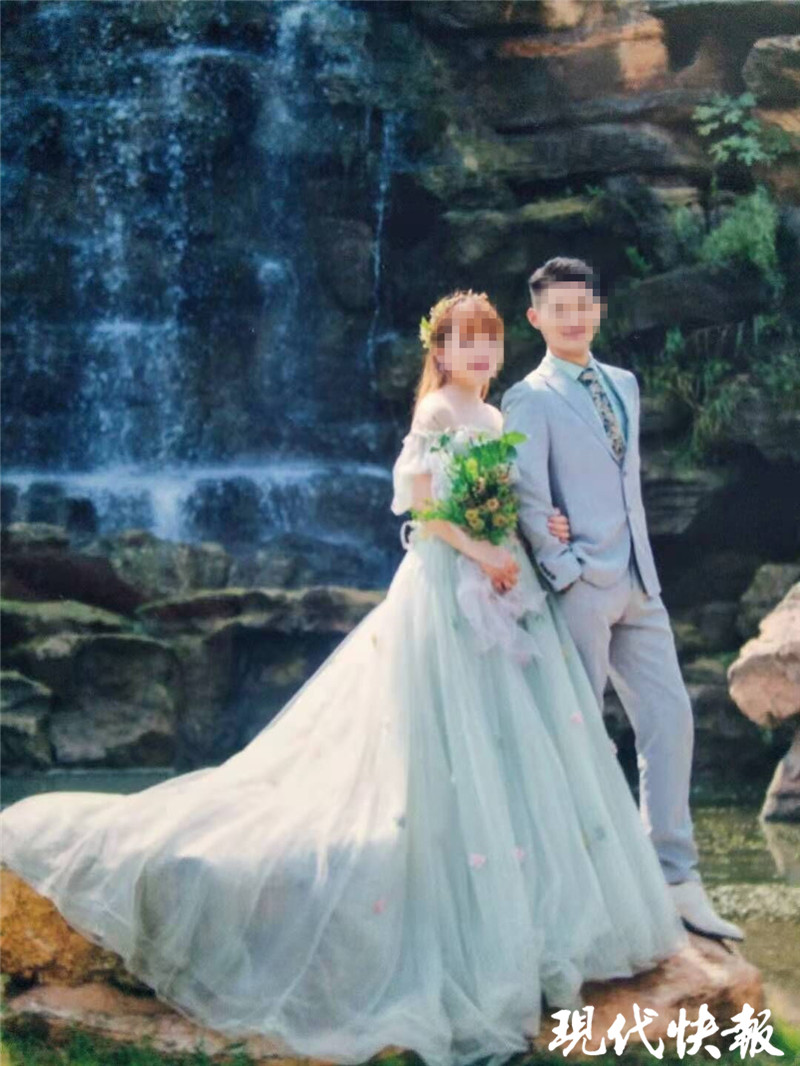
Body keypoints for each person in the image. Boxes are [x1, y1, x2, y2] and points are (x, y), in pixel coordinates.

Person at [0, 289, 690, 1066]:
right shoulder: (435, 414)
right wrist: (481, 552)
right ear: (439, 352)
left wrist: (538, 529)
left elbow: (516, 500)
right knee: (448, 733)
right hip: (450, 588)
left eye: (490, 341)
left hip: (507, 584)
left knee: (514, 744)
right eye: (465, 341)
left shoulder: (498, 419)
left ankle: (530, 916)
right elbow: (424, 514)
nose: (480, 353)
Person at [500, 256, 743, 942]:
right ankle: (581, 893)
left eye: (583, 305)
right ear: (536, 318)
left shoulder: (625, 384)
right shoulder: (529, 397)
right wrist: (566, 570)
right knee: (578, 734)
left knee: (670, 719)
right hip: (581, 587)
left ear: (598, 310)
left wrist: (633, 566)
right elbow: (528, 492)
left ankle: (675, 879)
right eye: (559, 308)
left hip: (641, 581)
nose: (573, 317)